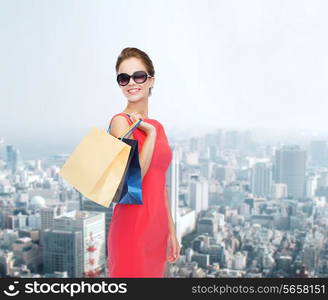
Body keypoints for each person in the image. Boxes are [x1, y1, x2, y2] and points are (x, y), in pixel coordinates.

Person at [107, 47, 181, 277]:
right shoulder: (120, 122)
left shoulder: (158, 126)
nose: (131, 83)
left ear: (151, 80)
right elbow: (134, 178)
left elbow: (161, 186)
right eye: (123, 78)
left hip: (157, 229)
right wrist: (149, 136)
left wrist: (171, 231)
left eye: (138, 76)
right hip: (131, 229)